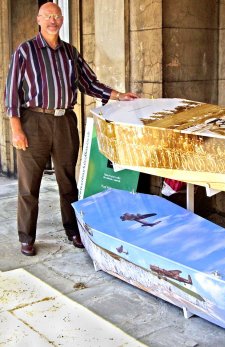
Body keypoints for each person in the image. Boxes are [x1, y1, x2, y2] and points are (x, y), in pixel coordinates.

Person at [4, 2, 138, 256]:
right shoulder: (25, 51)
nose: (53, 20)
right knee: (28, 185)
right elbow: (11, 93)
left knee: (68, 181)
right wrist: (16, 129)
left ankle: (73, 230)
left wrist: (118, 95)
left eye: (57, 16)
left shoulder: (70, 52)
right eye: (48, 16)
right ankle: (27, 237)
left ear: (62, 20)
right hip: (34, 121)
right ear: (39, 20)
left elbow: (89, 83)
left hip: (65, 120)